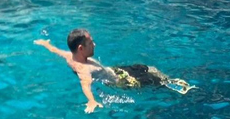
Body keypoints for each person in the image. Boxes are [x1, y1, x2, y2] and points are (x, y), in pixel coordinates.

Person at [34, 28, 194, 113]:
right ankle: (171, 84)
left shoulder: (70, 55)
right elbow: (85, 84)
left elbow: (55, 50)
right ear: (81, 48)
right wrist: (91, 101)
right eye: (91, 43)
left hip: (116, 70)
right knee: (155, 81)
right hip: (123, 82)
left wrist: (46, 44)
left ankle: (167, 79)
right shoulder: (83, 69)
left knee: (145, 67)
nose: (94, 45)